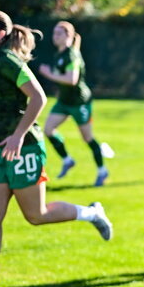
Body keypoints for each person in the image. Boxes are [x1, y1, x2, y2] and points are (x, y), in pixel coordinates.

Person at [0, 10, 113, 287]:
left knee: (36, 216)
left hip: (23, 148)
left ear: (0, 33)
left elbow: (38, 96)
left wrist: (18, 136)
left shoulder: (8, 61)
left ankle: (92, 213)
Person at [38, 21, 108, 186]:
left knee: (87, 138)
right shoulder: (60, 54)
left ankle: (102, 171)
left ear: (69, 36)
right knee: (48, 130)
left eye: (59, 33)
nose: (55, 36)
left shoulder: (71, 55)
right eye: (54, 33)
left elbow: (72, 79)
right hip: (64, 101)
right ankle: (67, 160)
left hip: (79, 102)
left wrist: (49, 74)